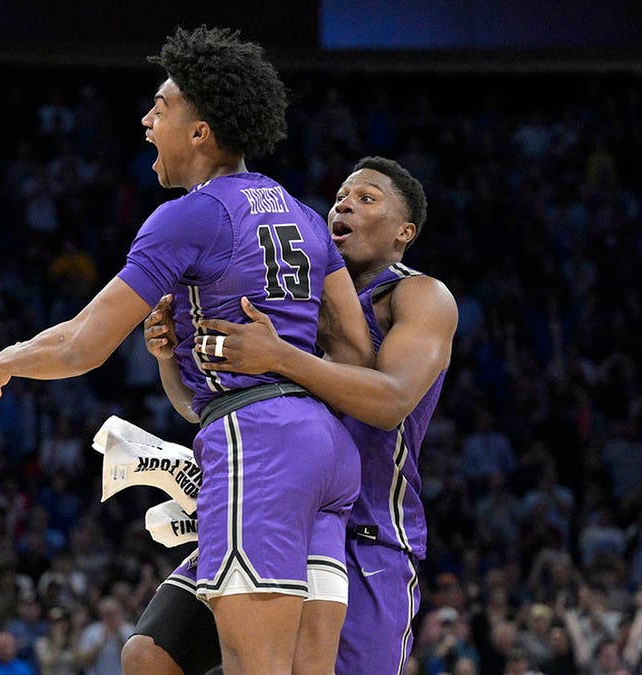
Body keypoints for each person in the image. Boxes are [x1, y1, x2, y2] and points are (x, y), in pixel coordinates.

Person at [0, 26, 373, 675]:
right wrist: (171, 356)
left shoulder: (193, 214)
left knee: (261, 668)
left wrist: (11, 356)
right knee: (153, 655)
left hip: (261, 446)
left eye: (160, 106)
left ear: (200, 130)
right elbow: (356, 356)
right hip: (320, 451)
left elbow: (84, 343)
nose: (145, 120)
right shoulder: (303, 216)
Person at [124, 156, 458, 675]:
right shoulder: (292, 294)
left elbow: (390, 402)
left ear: (404, 232)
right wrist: (170, 356)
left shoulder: (419, 296)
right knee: (150, 656)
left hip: (367, 533)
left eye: (367, 199)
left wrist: (281, 357)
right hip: (275, 507)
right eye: (342, 195)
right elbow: (201, 407)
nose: (344, 203)